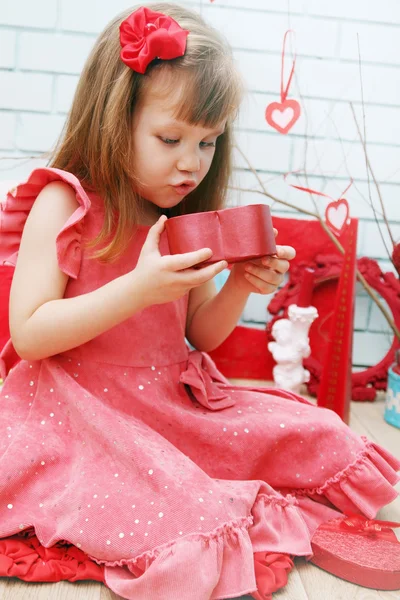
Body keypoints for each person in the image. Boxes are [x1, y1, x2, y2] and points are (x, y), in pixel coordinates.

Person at [0, 4, 399, 599]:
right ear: (113, 119)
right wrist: (137, 287)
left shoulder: (176, 215)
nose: (192, 162)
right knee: (182, 512)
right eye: (170, 139)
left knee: (320, 430)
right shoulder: (66, 204)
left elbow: (202, 337)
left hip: (173, 405)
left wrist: (240, 283)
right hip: (80, 412)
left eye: (208, 143)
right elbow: (29, 334)